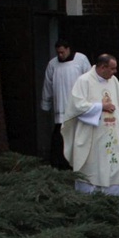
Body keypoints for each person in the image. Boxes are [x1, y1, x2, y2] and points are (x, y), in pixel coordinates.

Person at [61, 53, 119, 204]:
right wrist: (101, 106)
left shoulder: (113, 81)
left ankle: (116, 207)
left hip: (114, 133)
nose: (115, 72)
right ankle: (91, 207)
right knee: (92, 171)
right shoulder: (84, 81)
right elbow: (76, 107)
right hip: (92, 136)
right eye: (112, 69)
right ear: (102, 67)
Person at [40, 38, 91, 169]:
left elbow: (90, 80)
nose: (60, 55)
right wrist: (46, 104)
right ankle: (59, 164)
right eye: (58, 53)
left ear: (68, 49)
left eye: (62, 52)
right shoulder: (52, 64)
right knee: (59, 137)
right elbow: (48, 85)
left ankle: (77, 163)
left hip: (77, 106)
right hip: (60, 106)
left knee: (77, 137)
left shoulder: (81, 60)